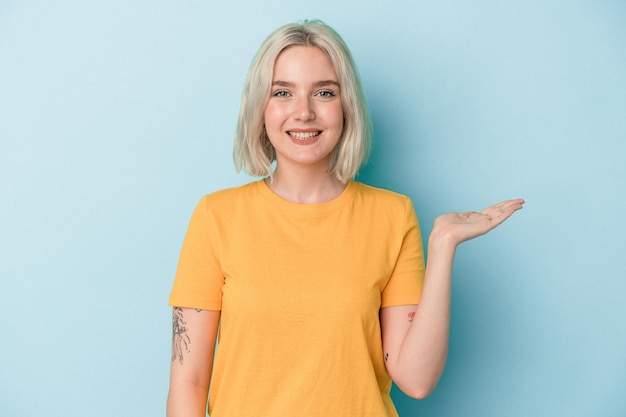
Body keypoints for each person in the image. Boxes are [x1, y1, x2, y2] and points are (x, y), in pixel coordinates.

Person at [166, 20, 524, 417]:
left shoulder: (392, 215)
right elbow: (189, 382)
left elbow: (416, 380)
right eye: (282, 92)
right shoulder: (216, 217)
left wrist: (442, 246)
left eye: (324, 92)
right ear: (260, 107)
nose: (303, 112)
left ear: (346, 106)